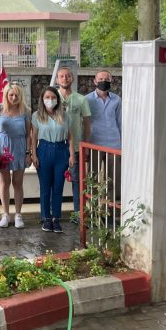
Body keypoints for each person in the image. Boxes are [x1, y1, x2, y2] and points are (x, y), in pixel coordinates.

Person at [31, 86, 74, 233]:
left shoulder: (65, 115)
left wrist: (72, 154)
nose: (50, 100)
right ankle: (46, 218)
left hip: (61, 151)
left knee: (58, 187)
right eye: (47, 97)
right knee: (45, 187)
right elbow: (34, 137)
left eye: (53, 97)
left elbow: (70, 137)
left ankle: (56, 218)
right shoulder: (37, 116)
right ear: (42, 100)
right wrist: (34, 154)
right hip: (44, 150)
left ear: (58, 99)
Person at [56, 67, 91, 223]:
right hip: (57, 146)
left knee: (77, 182)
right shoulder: (52, 97)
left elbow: (87, 124)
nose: (65, 78)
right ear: (57, 79)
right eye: (62, 76)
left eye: (68, 76)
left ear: (72, 78)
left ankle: (78, 215)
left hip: (76, 148)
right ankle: (54, 214)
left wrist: (86, 145)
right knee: (56, 181)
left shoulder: (81, 99)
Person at [0, 83, 32, 229]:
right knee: (4, 182)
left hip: (19, 148)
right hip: (3, 149)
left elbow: (28, 134)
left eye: (16, 95)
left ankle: (18, 214)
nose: (14, 97)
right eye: (11, 94)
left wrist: (28, 152)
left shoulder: (26, 111)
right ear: (6, 96)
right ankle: (5, 214)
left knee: (17, 182)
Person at [85, 70, 122, 200]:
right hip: (94, 144)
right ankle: (93, 208)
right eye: (100, 79)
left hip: (114, 144)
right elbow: (84, 123)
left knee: (114, 178)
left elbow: (120, 121)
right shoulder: (87, 100)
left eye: (106, 79)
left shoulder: (117, 100)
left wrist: (123, 143)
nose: (103, 81)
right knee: (93, 178)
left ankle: (112, 208)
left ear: (111, 81)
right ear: (95, 81)